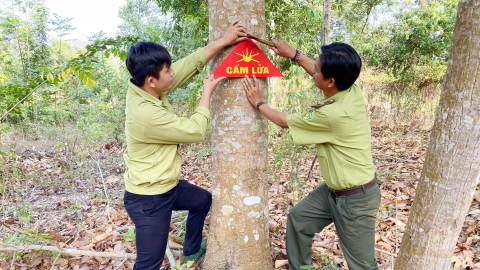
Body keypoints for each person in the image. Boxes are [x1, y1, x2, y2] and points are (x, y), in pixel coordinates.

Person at [243, 41, 380, 270]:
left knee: (363, 265)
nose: (312, 70)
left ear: (330, 81)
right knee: (299, 219)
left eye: (316, 69)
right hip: (333, 192)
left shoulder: (333, 114)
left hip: (356, 199)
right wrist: (294, 55)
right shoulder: (351, 89)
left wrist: (258, 102)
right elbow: (318, 71)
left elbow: (283, 121)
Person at [123, 20, 247, 270]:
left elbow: (190, 63)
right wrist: (207, 93)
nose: (172, 73)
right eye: (167, 70)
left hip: (167, 186)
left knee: (201, 201)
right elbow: (194, 131)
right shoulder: (146, 114)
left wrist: (224, 41)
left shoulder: (147, 88)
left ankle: (191, 251)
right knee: (149, 263)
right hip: (148, 198)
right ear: (151, 80)